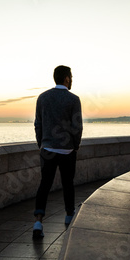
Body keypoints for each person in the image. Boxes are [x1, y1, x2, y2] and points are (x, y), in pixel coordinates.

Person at [33, 65, 83, 239]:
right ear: (67, 78)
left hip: (47, 149)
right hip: (67, 150)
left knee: (45, 184)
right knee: (68, 183)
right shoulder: (74, 99)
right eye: (72, 76)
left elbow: (38, 124)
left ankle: (38, 222)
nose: (73, 80)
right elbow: (77, 127)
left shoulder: (42, 98)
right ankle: (69, 216)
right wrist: (75, 145)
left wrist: (43, 143)